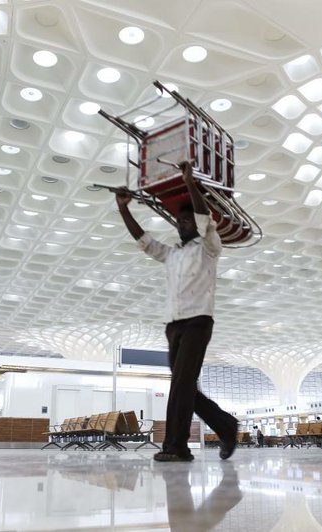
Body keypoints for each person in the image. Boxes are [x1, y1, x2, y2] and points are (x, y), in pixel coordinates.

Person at [115, 161, 238, 462]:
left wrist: (190, 183)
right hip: (174, 326)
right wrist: (123, 208)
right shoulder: (171, 254)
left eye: (187, 220)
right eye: (179, 221)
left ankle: (176, 446)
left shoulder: (209, 247)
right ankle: (226, 425)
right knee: (185, 388)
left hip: (198, 322)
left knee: (181, 385)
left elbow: (204, 218)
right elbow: (143, 241)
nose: (182, 223)